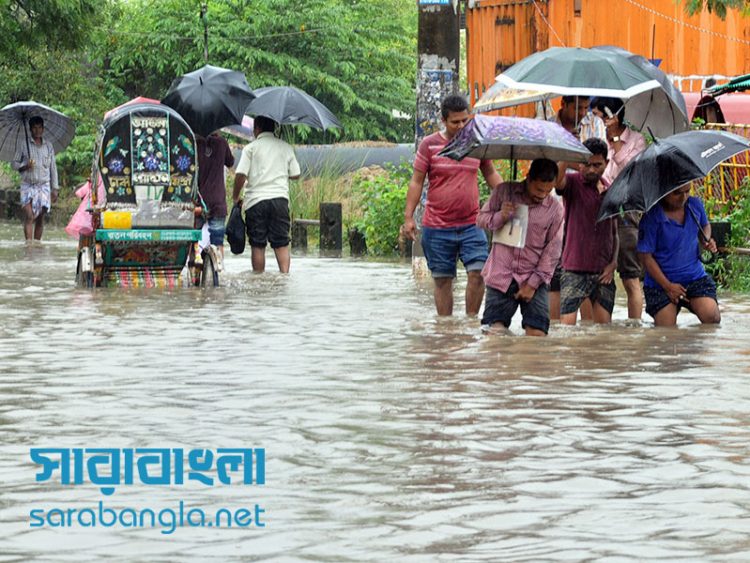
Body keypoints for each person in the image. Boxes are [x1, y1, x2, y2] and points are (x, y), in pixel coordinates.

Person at [402, 94, 503, 316]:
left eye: (464, 121)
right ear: (444, 121)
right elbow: (416, 181)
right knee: (443, 281)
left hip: (472, 224)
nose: (460, 126)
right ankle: (446, 330)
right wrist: (408, 217)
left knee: (478, 274)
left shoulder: (477, 143)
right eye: (455, 122)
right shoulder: (429, 145)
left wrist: (510, 195)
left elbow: (491, 174)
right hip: (437, 227)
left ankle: (469, 323)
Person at [477, 159, 564, 336]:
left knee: (537, 335)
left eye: (549, 191)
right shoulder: (503, 192)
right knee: (494, 334)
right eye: (539, 189)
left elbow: (552, 251)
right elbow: (480, 220)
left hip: (533, 276)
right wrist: (501, 216)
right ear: (528, 178)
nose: (543, 195)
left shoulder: (555, 208)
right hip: (501, 274)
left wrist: (532, 284)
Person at [542, 96, 606, 321]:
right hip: (552, 203)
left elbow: (596, 159)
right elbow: (547, 165)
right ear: (564, 106)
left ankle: (587, 329)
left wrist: (578, 157)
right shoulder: (548, 125)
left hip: (585, 203)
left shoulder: (595, 124)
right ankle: (557, 323)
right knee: (556, 271)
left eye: (586, 107)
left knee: (585, 266)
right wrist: (568, 151)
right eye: (578, 107)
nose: (582, 112)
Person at [593, 97, 648, 320]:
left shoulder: (636, 140)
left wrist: (615, 138)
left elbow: (629, 172)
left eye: (599, 115)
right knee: (596, 274)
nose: (596, 120)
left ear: (611, 115)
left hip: (626, 209)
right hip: (599, 208)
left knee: (630, 275)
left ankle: (634, 327)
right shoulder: (597, 139)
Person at [555, 138, 618, 325]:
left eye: (597, 165)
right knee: (567, 328)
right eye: (586, 164)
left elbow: (615, 232)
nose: (591, 169)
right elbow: (557, 183)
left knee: (603, 332)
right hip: (574, 268)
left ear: (606, 163)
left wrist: (613, 263)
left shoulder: (611, 189)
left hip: (603, 270)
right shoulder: (573, 183)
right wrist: (567, 153)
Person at [636, 186, 720, 327]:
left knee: (712, 318)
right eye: (677, 193)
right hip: (660, 284)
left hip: (694, 278)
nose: (683, 197)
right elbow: (645, 257)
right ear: (664, 192)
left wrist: (706, 239)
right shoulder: (651, 217)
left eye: (687, 191)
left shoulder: (694, 205)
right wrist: (668, 286)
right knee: (666, 331)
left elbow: (705, 225)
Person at [232, 116, 300, 274]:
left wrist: (235, 197)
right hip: (280, 200)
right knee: (282, 242)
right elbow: (296, 174)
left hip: (256, 202)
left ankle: (258, 279)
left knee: (258, 243)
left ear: (257, 128)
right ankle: (284, 277)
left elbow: (240, 174)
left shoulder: (250, 148)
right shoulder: (286, 147)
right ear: (274, 128)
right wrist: (279, 172)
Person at [12, 116, 58, 241]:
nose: (37, 130)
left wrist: (55, 188)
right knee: (30, 216)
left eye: (39, 128)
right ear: (30, 129)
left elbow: (53, 167)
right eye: (34, 128)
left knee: (40, 217)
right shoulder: (23, 144)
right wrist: (25, 166)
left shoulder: (48, 146)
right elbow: (14, 164)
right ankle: (29, 246)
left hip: (44, 185)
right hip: (28, 185)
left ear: (43, 129)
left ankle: (37, 244)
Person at [197, 132, 234, 259]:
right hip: (218, 200)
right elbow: (230, 162)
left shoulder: (193, 143)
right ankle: (218, 271)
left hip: (198, 201)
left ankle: (194, 269)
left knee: (193, 240)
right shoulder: (222, 142)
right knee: (217, 241)